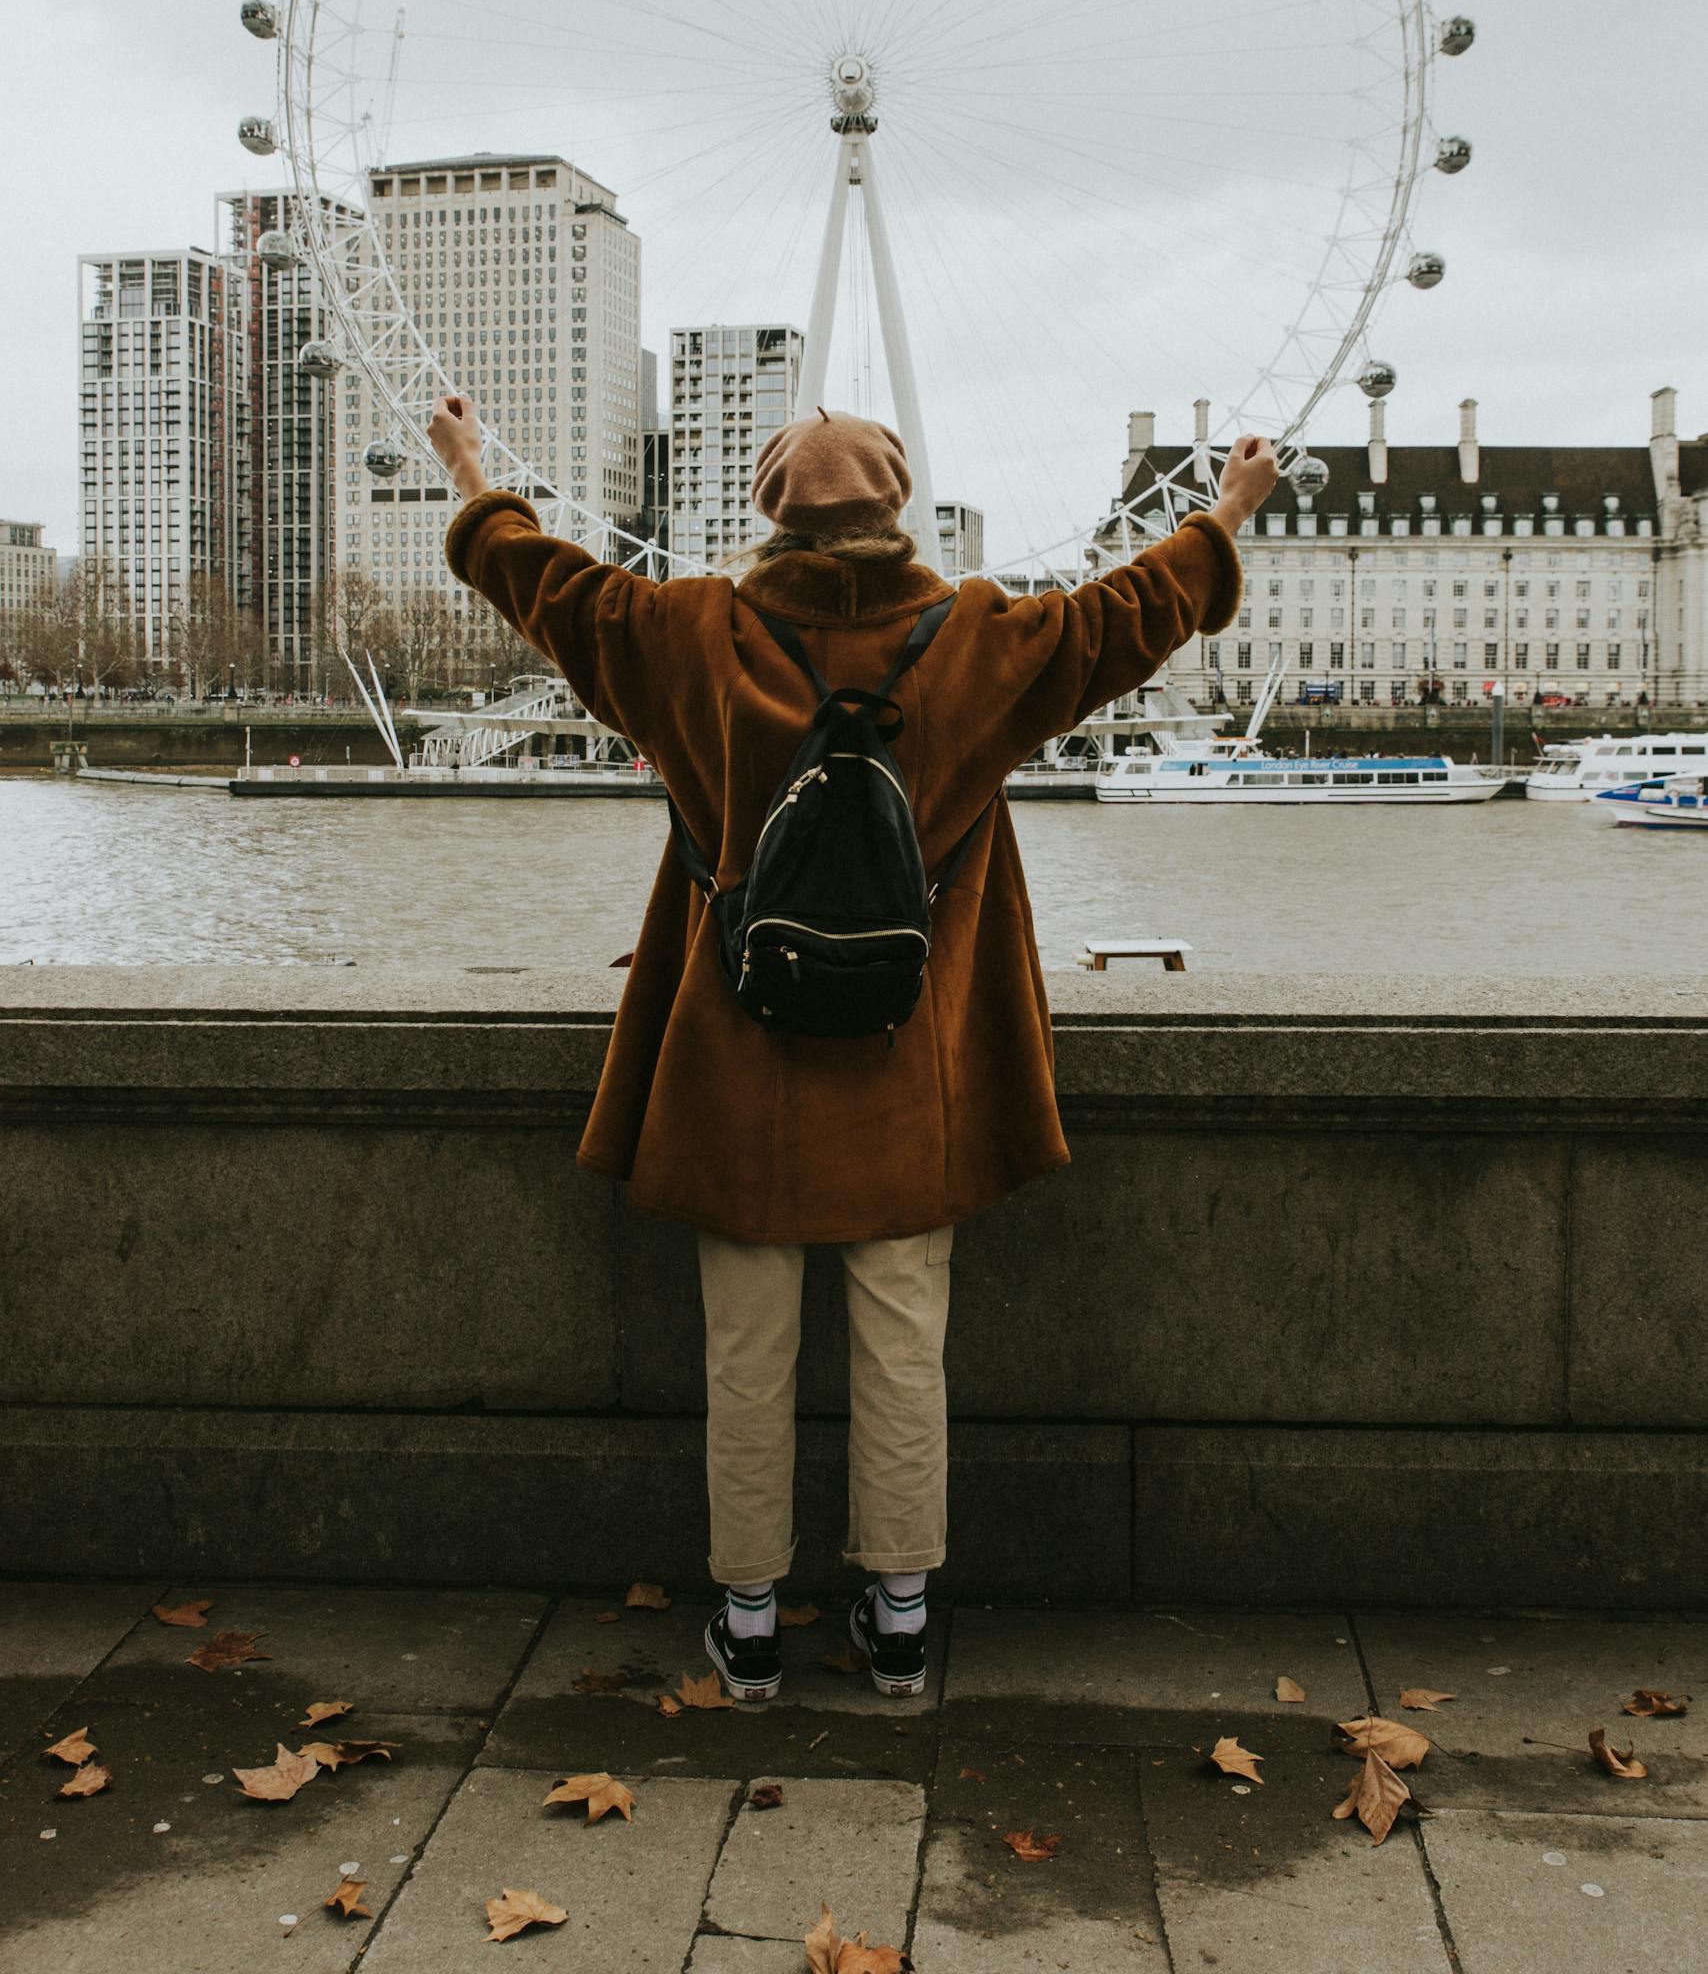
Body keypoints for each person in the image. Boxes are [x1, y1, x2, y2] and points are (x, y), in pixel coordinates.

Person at [428, 392, 1276, 1702]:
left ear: (772, 515)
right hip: (911, 1067)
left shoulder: (684, 635)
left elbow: (541, 584)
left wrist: (473, 470)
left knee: (746, 1357)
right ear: (897, 507)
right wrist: (1223, 515)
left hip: (733, 1066)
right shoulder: (983, 639)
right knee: (901, 1346)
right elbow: (1129, 617)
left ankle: (753, 1627)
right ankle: (897, 1622)